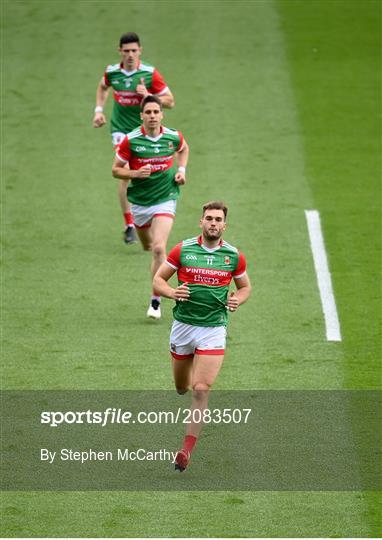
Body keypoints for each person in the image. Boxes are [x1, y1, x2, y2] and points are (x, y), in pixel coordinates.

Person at [153, 201, 252, 471]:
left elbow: (245, 287)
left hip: (213, 329)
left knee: (200, 389)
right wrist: (172, 292)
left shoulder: (233, 256)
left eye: (218, 219)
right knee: (181, 387)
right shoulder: (182, 250)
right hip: (184, 326)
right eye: (209, 218)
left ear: (224, 225)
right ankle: (185, 378)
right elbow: (158, 280)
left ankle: (185, 451)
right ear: (201, 222)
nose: (213, 223)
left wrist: (237, 300)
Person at [93, 32, 175, 244]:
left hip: (147, 130)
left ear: (140, 51)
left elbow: (170, 101)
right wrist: (98, 110)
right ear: (120, 51)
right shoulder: (112, 72)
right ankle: (130, 224)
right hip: (122, 131)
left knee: (145, 170)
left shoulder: (149, 73)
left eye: (134, 50)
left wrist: (147, 94)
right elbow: (102, 86)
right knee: (126, 173)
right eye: (126, 51)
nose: (130, 54)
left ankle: (148, 212)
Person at [112, 95, 189, 319]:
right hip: (139, 202)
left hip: (166, 197)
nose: (153, 116)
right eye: (148, 112)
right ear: (141, 116)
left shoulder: (173, 136)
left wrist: (181, 171)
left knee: (158, 248)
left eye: (156, 112)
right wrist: (135, 173)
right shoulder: (131, 140)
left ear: (162, 114)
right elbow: (115, 170)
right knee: (148, 247)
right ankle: (152, 264)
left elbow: (184, 149)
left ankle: (155, 300)